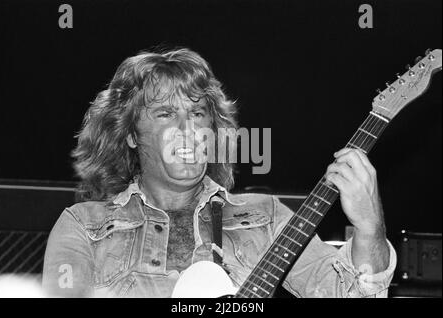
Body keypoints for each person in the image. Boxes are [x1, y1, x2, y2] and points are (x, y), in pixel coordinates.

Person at [42, 47, 396, 298]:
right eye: (165, 113)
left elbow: (351, 295)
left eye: (197, 114)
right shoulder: (83, 227)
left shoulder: (267, 218)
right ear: (131, 135)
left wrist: (370, 228)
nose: (187, 128)